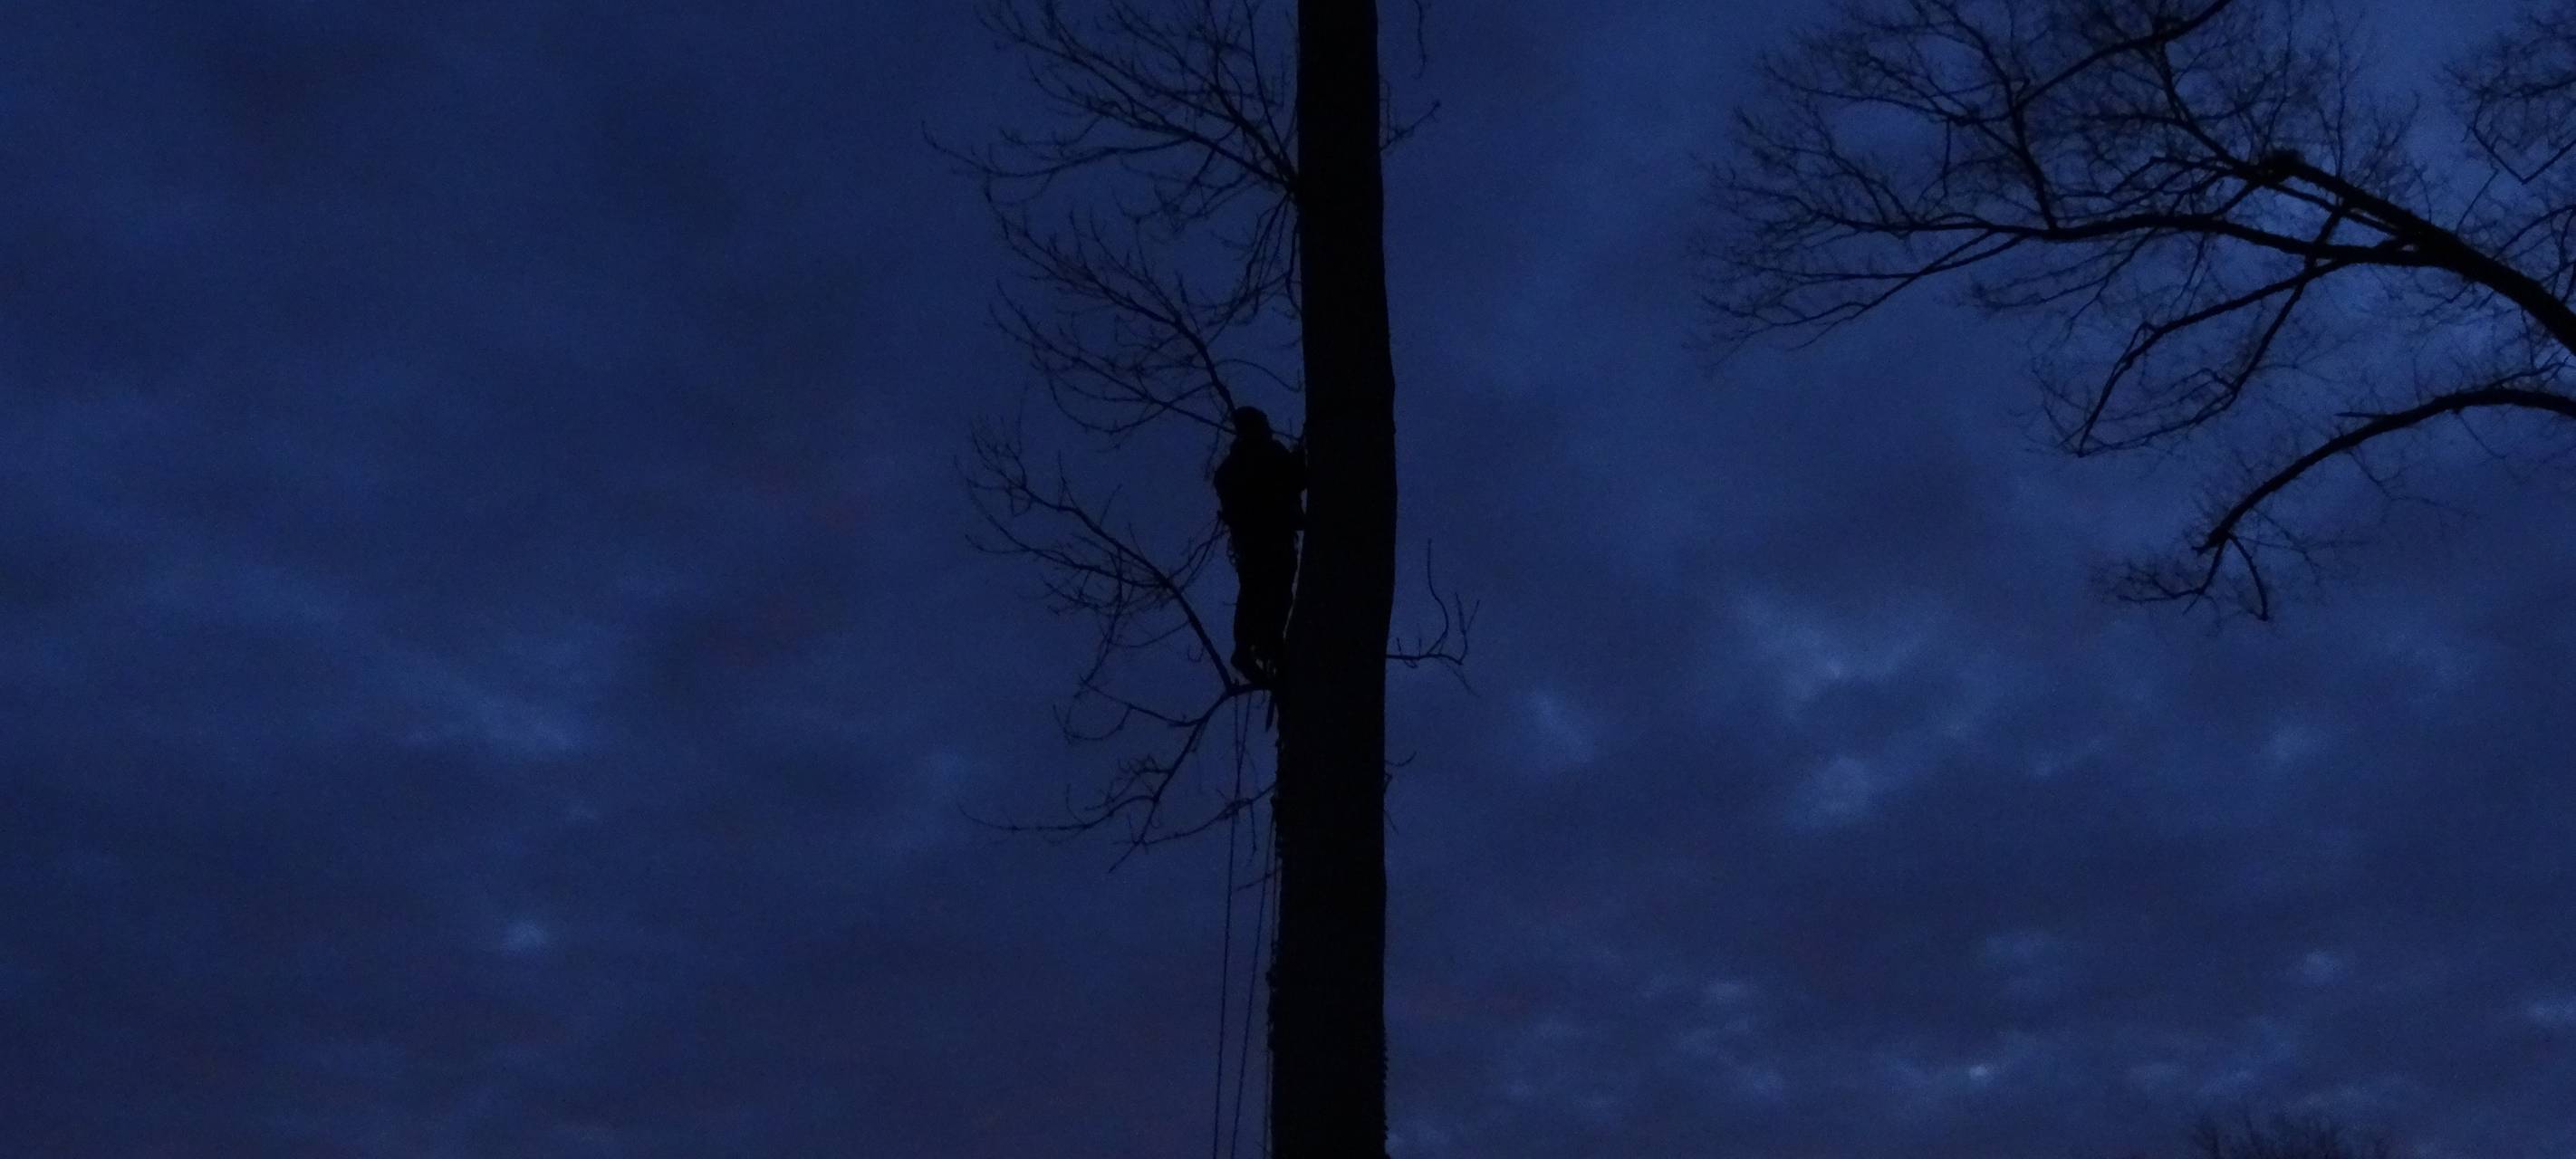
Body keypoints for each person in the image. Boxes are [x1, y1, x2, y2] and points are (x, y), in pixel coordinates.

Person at [1214, 406, 1303, 686]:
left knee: (1253, 592)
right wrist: (1299, 458)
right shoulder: (1268, 454)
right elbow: (1297, 479)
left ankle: (1253, 646)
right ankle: (1268, 643)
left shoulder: (1229, 469)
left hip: (1250, 543)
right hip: (1271, 538)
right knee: (1276, 590)